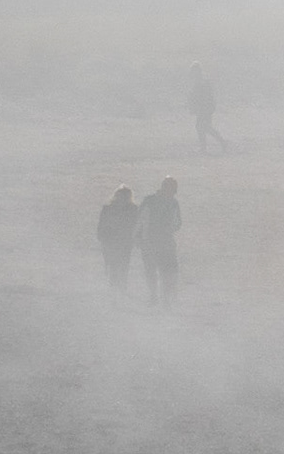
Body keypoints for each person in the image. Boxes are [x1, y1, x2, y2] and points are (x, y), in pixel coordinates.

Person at [135, 176, 182, 307]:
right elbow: (139, 221)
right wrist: (138, 238)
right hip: (149, 242)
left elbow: (178, 222)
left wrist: (171, 228)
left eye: (173, 190)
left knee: (168, 271)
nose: (172, 193)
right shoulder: (149, 201)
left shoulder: (174, 203)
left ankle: (166, 299)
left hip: (167, 242)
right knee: (151, 270)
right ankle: (154, 297)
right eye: (170, 189)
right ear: (164, 188)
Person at [96, 185, 140, 292]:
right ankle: (115, 289)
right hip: (112, 242)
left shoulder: (133, 209)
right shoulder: (108, 209)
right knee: (114, 265)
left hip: (124, 242)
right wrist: (102, 238)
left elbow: (137, 225)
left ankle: (120, 289)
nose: (122, 199)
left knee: (122, 265)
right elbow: (101, 226)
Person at [189, 63, 228, 153]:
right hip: (204, 108)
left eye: (193, 71)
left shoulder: (202, 81)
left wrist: (200, 106)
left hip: (205, 109)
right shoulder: (201, 81)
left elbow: (204, 96)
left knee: (203, 127)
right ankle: (212, 145)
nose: (192, 73)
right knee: (203, 127)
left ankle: (219, 143)